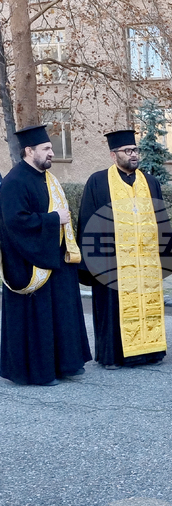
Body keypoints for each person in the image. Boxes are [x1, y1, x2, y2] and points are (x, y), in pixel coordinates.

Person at [77, 130, 172, 370]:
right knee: (113, 307)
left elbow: (160, 219)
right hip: (113, 262)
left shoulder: (150, 182)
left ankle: (150, 352)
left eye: (135, 150)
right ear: (113, 155)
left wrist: (167, 255)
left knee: (148, 304)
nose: (133, 155)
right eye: (127, 151)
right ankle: (112, 356)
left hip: (147, 262)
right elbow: (88, 221)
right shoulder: (98, 181)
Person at [0, 125, 91, 386]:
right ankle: (38, 372)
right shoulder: (15, 182)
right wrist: (53, 220)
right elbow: (14, 222)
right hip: (30, 264)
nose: (52, 152)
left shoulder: (46, 178)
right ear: (29, 151)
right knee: (38, 319)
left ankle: (65, 364)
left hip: (54, 258)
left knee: (60, 313)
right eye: (47, 149)